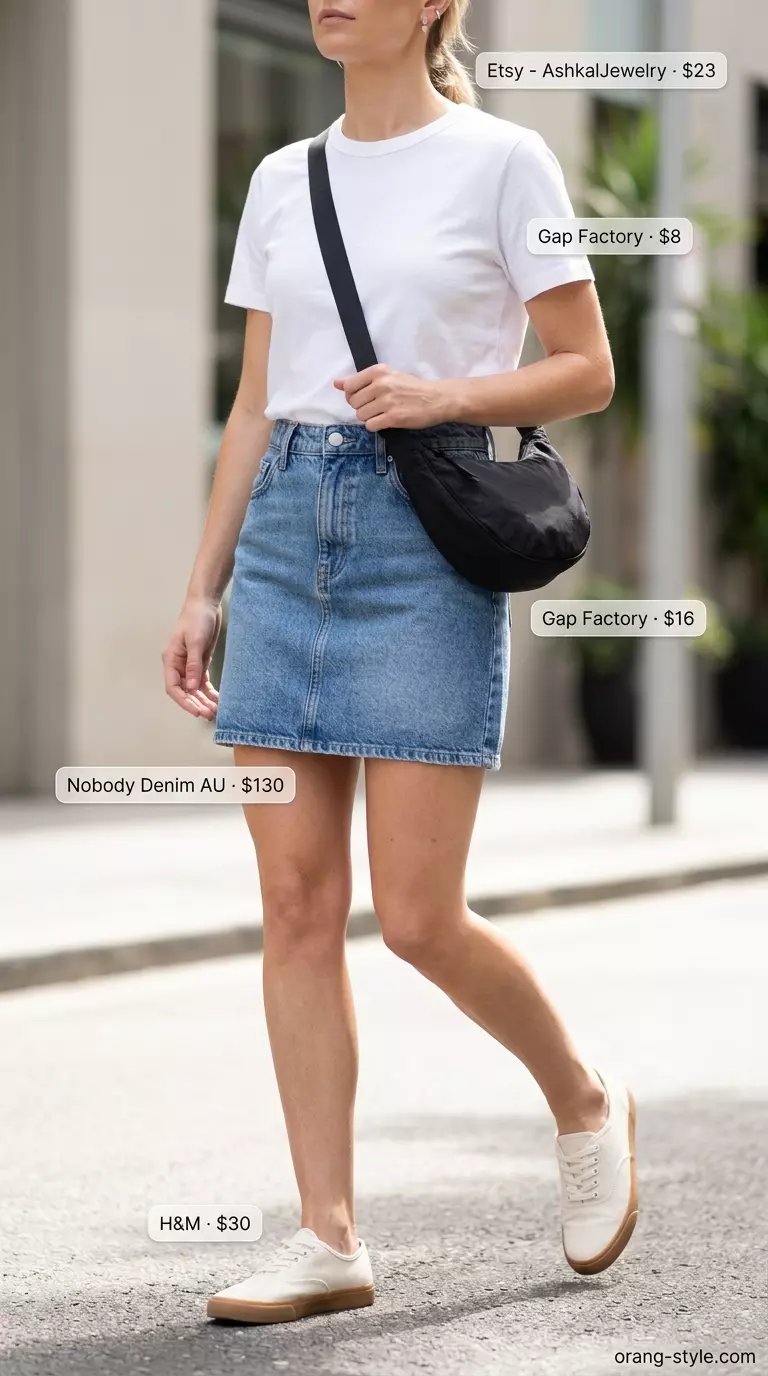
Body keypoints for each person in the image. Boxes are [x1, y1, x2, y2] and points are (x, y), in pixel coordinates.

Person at [162, 0, 635, 1327]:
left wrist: (445, 396)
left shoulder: (503, 162)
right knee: (298, 910)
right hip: (282, 538)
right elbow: (257, 401)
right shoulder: (280, 178)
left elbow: (586, 369)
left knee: (418, 915)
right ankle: (329, 1237)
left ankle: (586, 1101)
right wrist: (201, 590)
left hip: (416, 542)